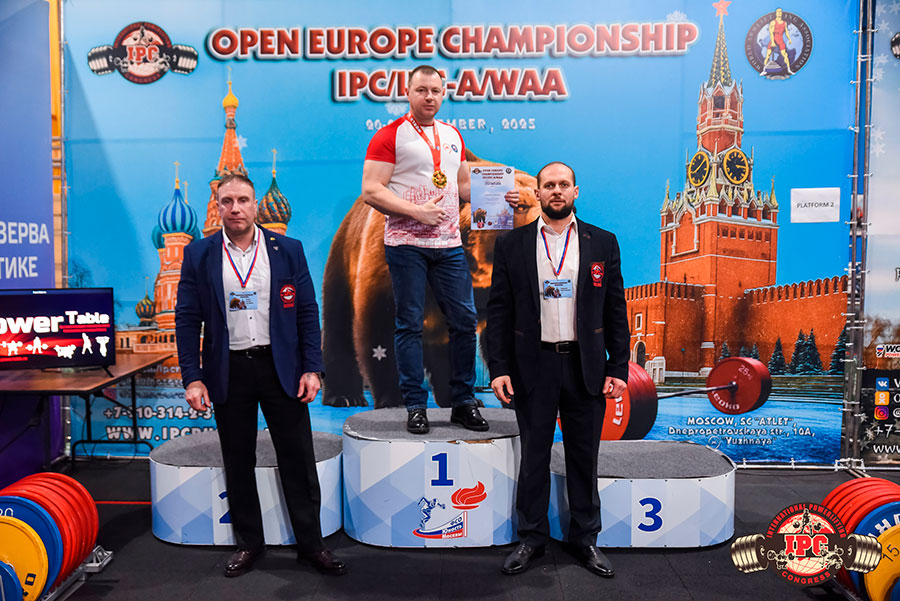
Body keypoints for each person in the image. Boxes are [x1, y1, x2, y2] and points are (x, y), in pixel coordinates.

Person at [175, 173, 345, 578]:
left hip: (280, 368)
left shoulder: (288, 249)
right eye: (227, 201)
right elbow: (187, 319)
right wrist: (193, 377)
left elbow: (307, 310)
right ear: (217, 206)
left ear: (255, 205)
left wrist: (312, 367)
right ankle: (249, 543)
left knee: (297, 458)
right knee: (237, 459)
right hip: (228, 370)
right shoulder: (199, 254)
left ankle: (311, 545)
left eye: (243, 200)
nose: (235, 208)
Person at [486, 162, 629, 577]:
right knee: (534, 457)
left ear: (575, 192)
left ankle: (585, 539)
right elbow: (499, 311)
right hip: (533, 366)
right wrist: (499, 367)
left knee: (584, 457)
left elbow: (615, 309)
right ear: (538, 193)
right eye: (548, 185)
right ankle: (531, 537)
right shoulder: (512, 244)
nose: (556, 191)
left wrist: (618, 366)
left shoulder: (603, 242)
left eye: (564, 184)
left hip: (586, 366)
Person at [361, 64, 517, 434]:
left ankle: (462, 402)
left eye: (435, 91)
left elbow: (460, 186)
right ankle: (416, 405)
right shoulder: (389, 135)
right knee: (410, 324)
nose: (429, 97)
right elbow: (371, 190)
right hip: (406, 245)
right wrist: (416, 212)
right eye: (421, 90)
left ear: (443, 94)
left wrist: (498, 197)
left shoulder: (451, 135)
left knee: (464, 321)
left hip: (448, 245)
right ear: (408, 93)